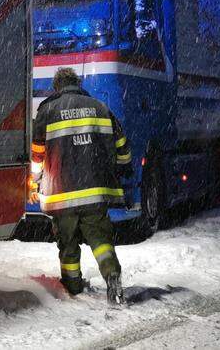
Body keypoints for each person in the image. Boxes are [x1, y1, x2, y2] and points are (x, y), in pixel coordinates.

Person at [30, 67, 132, 305]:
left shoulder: (47, 110)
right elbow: (122, 145)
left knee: (68, 242)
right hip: (95, 192)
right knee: (101, 239)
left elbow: (37, 153)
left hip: (61, 193)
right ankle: (112, 274)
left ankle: (72, 286)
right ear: (77, 83)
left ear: (57, 86)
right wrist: (123, 167)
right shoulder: (100, 107)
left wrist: (35, 180)